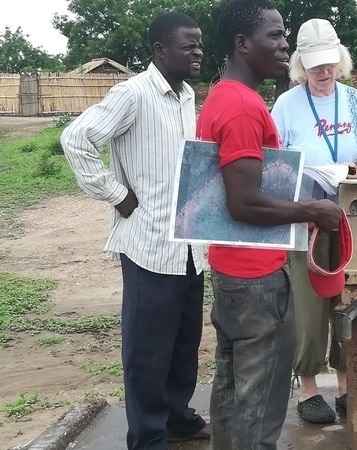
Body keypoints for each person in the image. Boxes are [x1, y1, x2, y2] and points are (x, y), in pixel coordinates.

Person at [196, 1, 343, 448]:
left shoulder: (224, 95)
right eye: (275, 36)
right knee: (260, 398)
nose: (284, 46)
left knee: (232, 386)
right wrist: (312, 211)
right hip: (257, 275)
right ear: (243, 44)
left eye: (285, 36)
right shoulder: (242, 107)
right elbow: (242, 202)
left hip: (231, 267)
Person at [61, 12, 209, 449]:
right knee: (148, 351)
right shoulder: (132, 94)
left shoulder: (185, 96)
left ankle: (178, 417)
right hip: (148, 245)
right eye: (189, 44)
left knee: (184, 343)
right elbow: (76, 138)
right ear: (160, 51)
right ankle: (147, 435)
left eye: (199, 43)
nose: (197, 51)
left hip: (188, 245)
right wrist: (116, 194)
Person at [270, 18, 357, 424]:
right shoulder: (286, 105)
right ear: (300, 64)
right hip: (307, 215)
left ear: (340, 59)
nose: (323, 72)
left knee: (349, 296)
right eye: (315, 65)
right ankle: (309, 388)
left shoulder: (354, 100)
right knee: (310, 296)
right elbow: (275, 165)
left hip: (352, 213)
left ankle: (347, 384)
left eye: (329, 63)